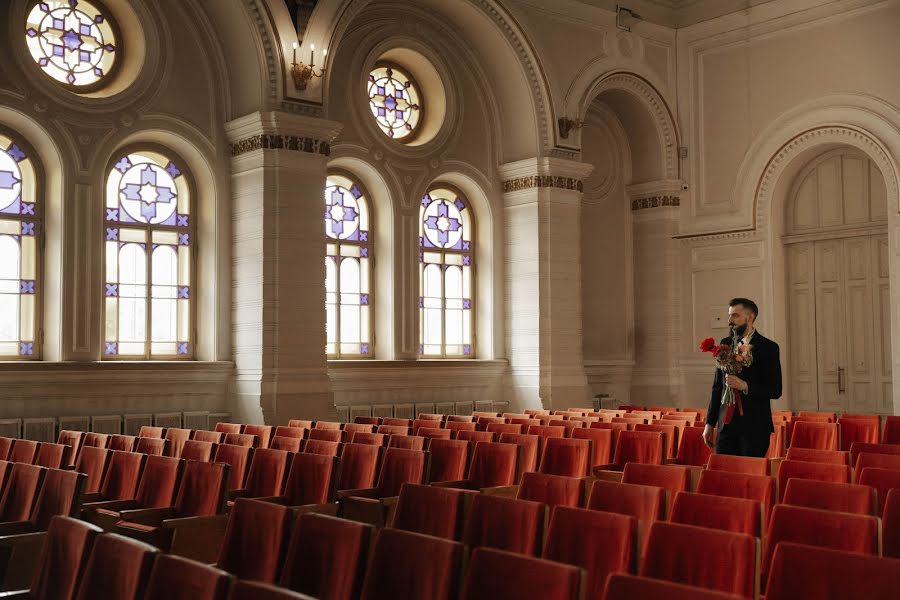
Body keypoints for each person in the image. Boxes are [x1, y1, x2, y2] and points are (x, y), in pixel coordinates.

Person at [702, 298, 782, 457]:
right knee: (724, 475)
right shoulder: (725, 344)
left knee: (749, 478)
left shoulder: (768, 348)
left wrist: (745, 386)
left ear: (750, 317)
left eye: (735, 316)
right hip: (726, 425)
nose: (729, 321)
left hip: (754, 428)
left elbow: (775, 390)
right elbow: (718, 387)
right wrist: (709, 424)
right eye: (729, 316)